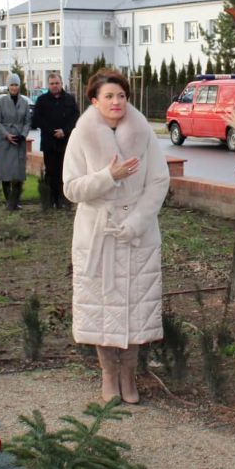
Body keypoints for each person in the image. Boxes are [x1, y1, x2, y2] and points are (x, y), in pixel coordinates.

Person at [63, 69, 169, 404]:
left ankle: (129, 374)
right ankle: (109, 374)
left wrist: (137, 221)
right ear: (94, 101)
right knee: (100, 306)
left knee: (136, 306)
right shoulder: (82, 135)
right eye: (108, 96)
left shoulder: (144, 134)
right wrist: (109, 176)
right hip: (98, 234)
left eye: (121, 96)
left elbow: (158, 181)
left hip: (137, 234)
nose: (116, 102)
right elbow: (71, 188)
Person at [31, 72, 79, 209]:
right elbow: (37, 120)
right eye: (52, 84)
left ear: (61, 83)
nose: (54, 86)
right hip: (49, 142)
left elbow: (75, 117)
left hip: (66, 143)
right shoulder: (41, 100)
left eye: (57, 83)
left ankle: (64, 200)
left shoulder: (70, 99)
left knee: (65, 171)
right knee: (51, 172)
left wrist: (64, 131)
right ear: (48, 85)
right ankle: (50, 200)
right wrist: (53, 131)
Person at [0, 73, 33, 210]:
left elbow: (28, 121)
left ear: (19, 86)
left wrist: (23, 135)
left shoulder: (24, 102)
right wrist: (6, 135)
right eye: (11, 84)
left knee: (17, 172)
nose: (14, 87)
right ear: (8, 86)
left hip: (19, 141)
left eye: (16, 84)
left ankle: (15, 202)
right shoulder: (1, 101)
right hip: (5, 140)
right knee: (5, 172)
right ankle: (8, 201)